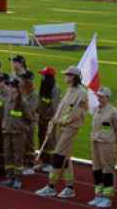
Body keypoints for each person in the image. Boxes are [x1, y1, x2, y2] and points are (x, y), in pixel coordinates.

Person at [35, 66, 89, 199]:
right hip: (61, 126)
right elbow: (61, 108)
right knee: (65, 158)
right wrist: (54, 121)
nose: (65, 77)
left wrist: (60, 121)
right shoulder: (70, 89)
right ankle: (69, 187)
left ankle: (51, 186)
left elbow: (76, 113)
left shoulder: (81, 93)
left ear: (73, 77)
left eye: (67, 75)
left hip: (70, 127)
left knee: (58, 155)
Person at [88, 87, 117, 207]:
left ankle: (107, 197)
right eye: (98, 96)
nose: (99, 98)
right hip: (95, 141)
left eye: (102, 96)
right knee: (96, 169)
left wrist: (114, 142)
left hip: (107, 143)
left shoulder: (114, 112)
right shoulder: (96, 109)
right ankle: (98, 194)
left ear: (108, 98)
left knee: (107, 169)